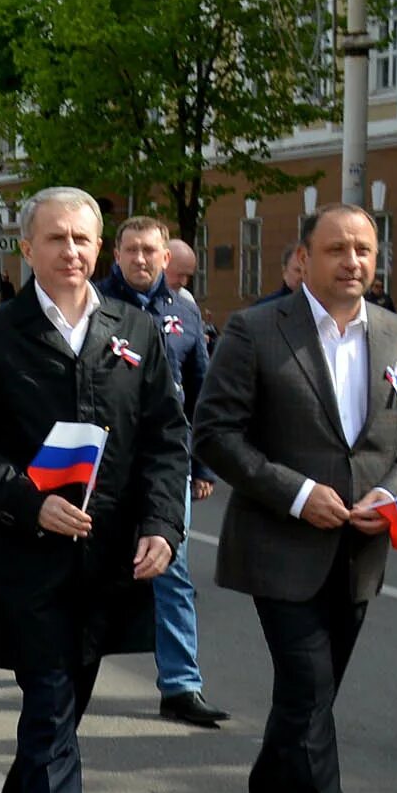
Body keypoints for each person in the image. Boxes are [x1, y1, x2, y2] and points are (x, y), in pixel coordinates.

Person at [0, 187, 188, 793]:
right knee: (51, 707)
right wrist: (26, 501)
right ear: (28, 249)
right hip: (34, 560)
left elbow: (165, 440)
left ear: (101, 245)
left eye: (84, 239)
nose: (72, 252)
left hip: (113, 559)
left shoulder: (137, 329)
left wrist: (162, 526)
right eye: (56, 239)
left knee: (66, 705)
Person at [194, 206, 397, 793]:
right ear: (303, 259)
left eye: (365, 249)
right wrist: (297, 493)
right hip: (281, 545)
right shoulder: (255, 330)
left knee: (312, 698)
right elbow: (215, 432)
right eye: (337, 249)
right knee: (308, 692)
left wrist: (391, 494)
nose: (353, 262)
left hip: (360, 546)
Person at [98, 216, 227, 730]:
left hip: (165, 460)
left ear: (165, 258)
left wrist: (202, 463)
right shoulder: (94, 302)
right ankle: (68, 669)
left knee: (171, 571)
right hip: (106, 461)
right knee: (93, 566)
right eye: (131, 250)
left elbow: (201, 392)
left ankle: (180, 686)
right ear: (116, 253)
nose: (141, 259)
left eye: (150, 251)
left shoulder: (185, 315)